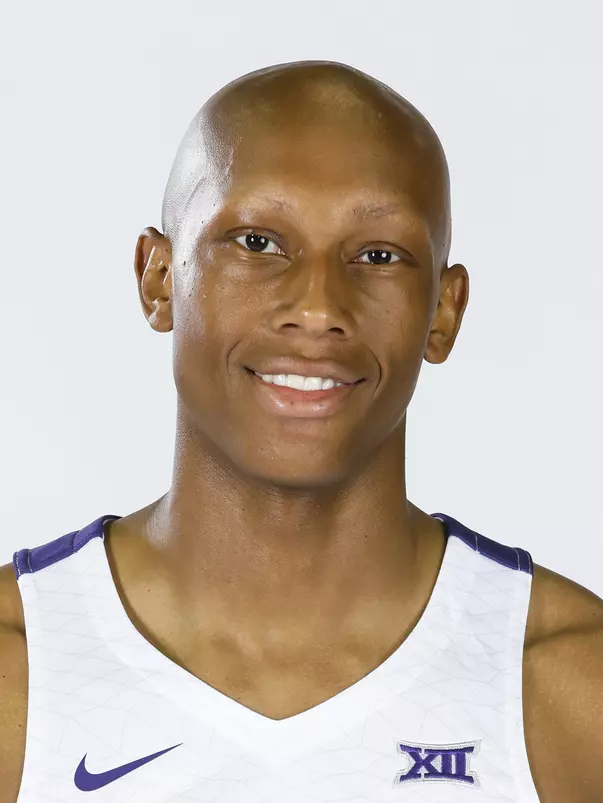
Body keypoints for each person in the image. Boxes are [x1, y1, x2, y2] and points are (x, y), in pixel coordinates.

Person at [0, 59, 601, 803]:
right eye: (257, 241)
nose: (317, 306)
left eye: (377, 256)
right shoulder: (22, 679)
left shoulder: (568, 685)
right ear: (158, 277)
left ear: (443, 311)